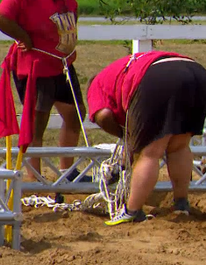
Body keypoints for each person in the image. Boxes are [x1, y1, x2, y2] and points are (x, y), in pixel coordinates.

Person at [0, 0, 91, 182]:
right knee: (37, 124)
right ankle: (34, 177)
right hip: (35, 66)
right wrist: (23, 37)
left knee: (76, 114)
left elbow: (71, 10)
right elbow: (0, 16)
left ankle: (68, 172)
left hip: (60, 65)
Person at [87, 51, 206, 224]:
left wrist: (128, 139)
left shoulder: (96, 85)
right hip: (196, 72)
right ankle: (181, 203)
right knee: (179, 146)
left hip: (159, 77)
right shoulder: (117, 71)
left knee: (150, 152)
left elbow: (103, 115)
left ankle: (132, 210)